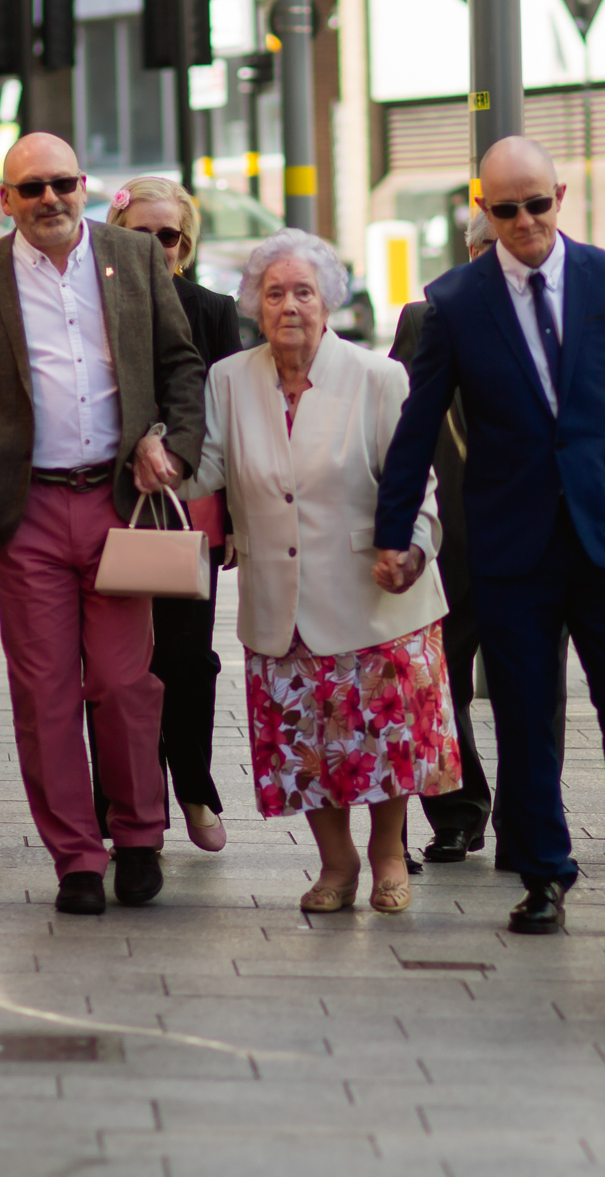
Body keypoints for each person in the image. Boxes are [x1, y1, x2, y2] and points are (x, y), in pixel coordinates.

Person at [374, 137, 605, 937]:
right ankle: (545, 873)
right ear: (484, 211)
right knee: (523, 715)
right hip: (509, 545)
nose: (524, 222)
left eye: (537, 204)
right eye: (505, 209)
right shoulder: (453, 301)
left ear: (560, 197)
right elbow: (415, 431)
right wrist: (394, 533)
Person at [0, 133, 205, 917]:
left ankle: (139, 836)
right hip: (28, 513)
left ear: (84, 185)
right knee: (45, 691)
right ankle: (77, 857)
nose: (50, 199)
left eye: (63, 183)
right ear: (7, 201)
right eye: (32, 188)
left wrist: (174, 450)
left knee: (123, 681)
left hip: (119, 503)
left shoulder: (134, 258)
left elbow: (182, 367)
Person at [183, 231, 454, 914]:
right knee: (306, 744)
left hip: (374, 589)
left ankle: (390, 853)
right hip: (281, 597)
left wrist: (413, 546)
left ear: (328, 300)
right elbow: (207, 470)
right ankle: (337, 863)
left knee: (383, 738)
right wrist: (154, 446)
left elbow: (414, 481)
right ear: (255, 306)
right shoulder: (230, 379)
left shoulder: (377, 377)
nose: (289, 306)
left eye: (303, 291)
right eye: (274, 293)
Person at [112, 176, 240, 853]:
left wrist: (240, 520)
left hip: (193, 507)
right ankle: (131, 807)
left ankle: (193, 786)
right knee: (116, 664)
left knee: (188, 657)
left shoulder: (213, 310)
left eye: (170, 236)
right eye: (144, 233)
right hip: (109, 508)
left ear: (184, 246)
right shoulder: (94, 305)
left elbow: (231, 418)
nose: (158, 246)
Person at [391, 207, 495, 867]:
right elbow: (402, 424)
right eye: (488, 242)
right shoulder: (426, 317)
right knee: (441, 682)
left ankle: (537, 827)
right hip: (452, 534)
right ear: (470, 247)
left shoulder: (568, 310)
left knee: (533, 693)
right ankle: (457, 812)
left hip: (539, 534)